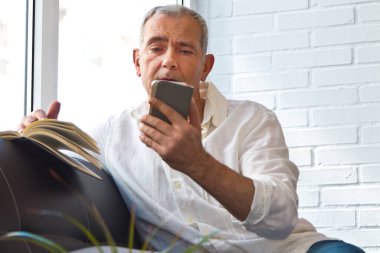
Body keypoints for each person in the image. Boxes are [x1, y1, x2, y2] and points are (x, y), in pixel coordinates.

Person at [18, 4, 365, 253]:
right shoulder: (112, 134)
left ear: (205, 66)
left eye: (185, 50)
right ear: (138, 62)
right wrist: (34, 132)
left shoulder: (254, 120)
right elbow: (64, 152)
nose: (168, 59)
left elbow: (281, 218)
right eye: (156, 47)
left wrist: (196, 162)